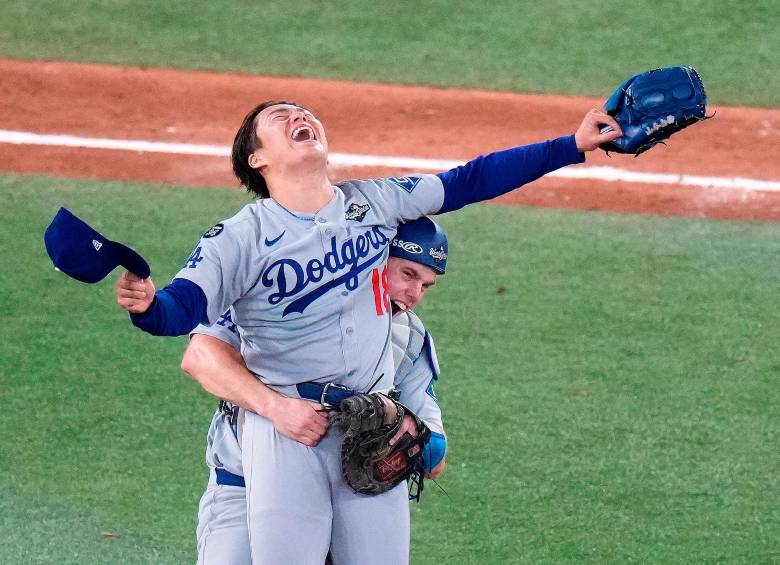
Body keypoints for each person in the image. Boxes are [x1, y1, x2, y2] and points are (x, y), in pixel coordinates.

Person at [115, 100, 621, 564]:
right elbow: (179, 313)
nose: (299, 116)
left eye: (303, 111)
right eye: (280, 117)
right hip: (288, 428)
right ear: (256, 159)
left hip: (371, 424)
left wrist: (571, 145)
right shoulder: (239, 238)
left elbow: (469, 180)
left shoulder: (375, 202)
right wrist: (147, 305)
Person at [186, 217, 449, 565]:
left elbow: (436, 460)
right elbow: (200, 358)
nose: (414, 295)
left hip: (348, 496)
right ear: (372, 258)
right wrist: (275, 408)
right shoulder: (286, 298)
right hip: (243, 486)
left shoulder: (409, 338)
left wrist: (405, 434)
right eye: (407, 275)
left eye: (425, 285)